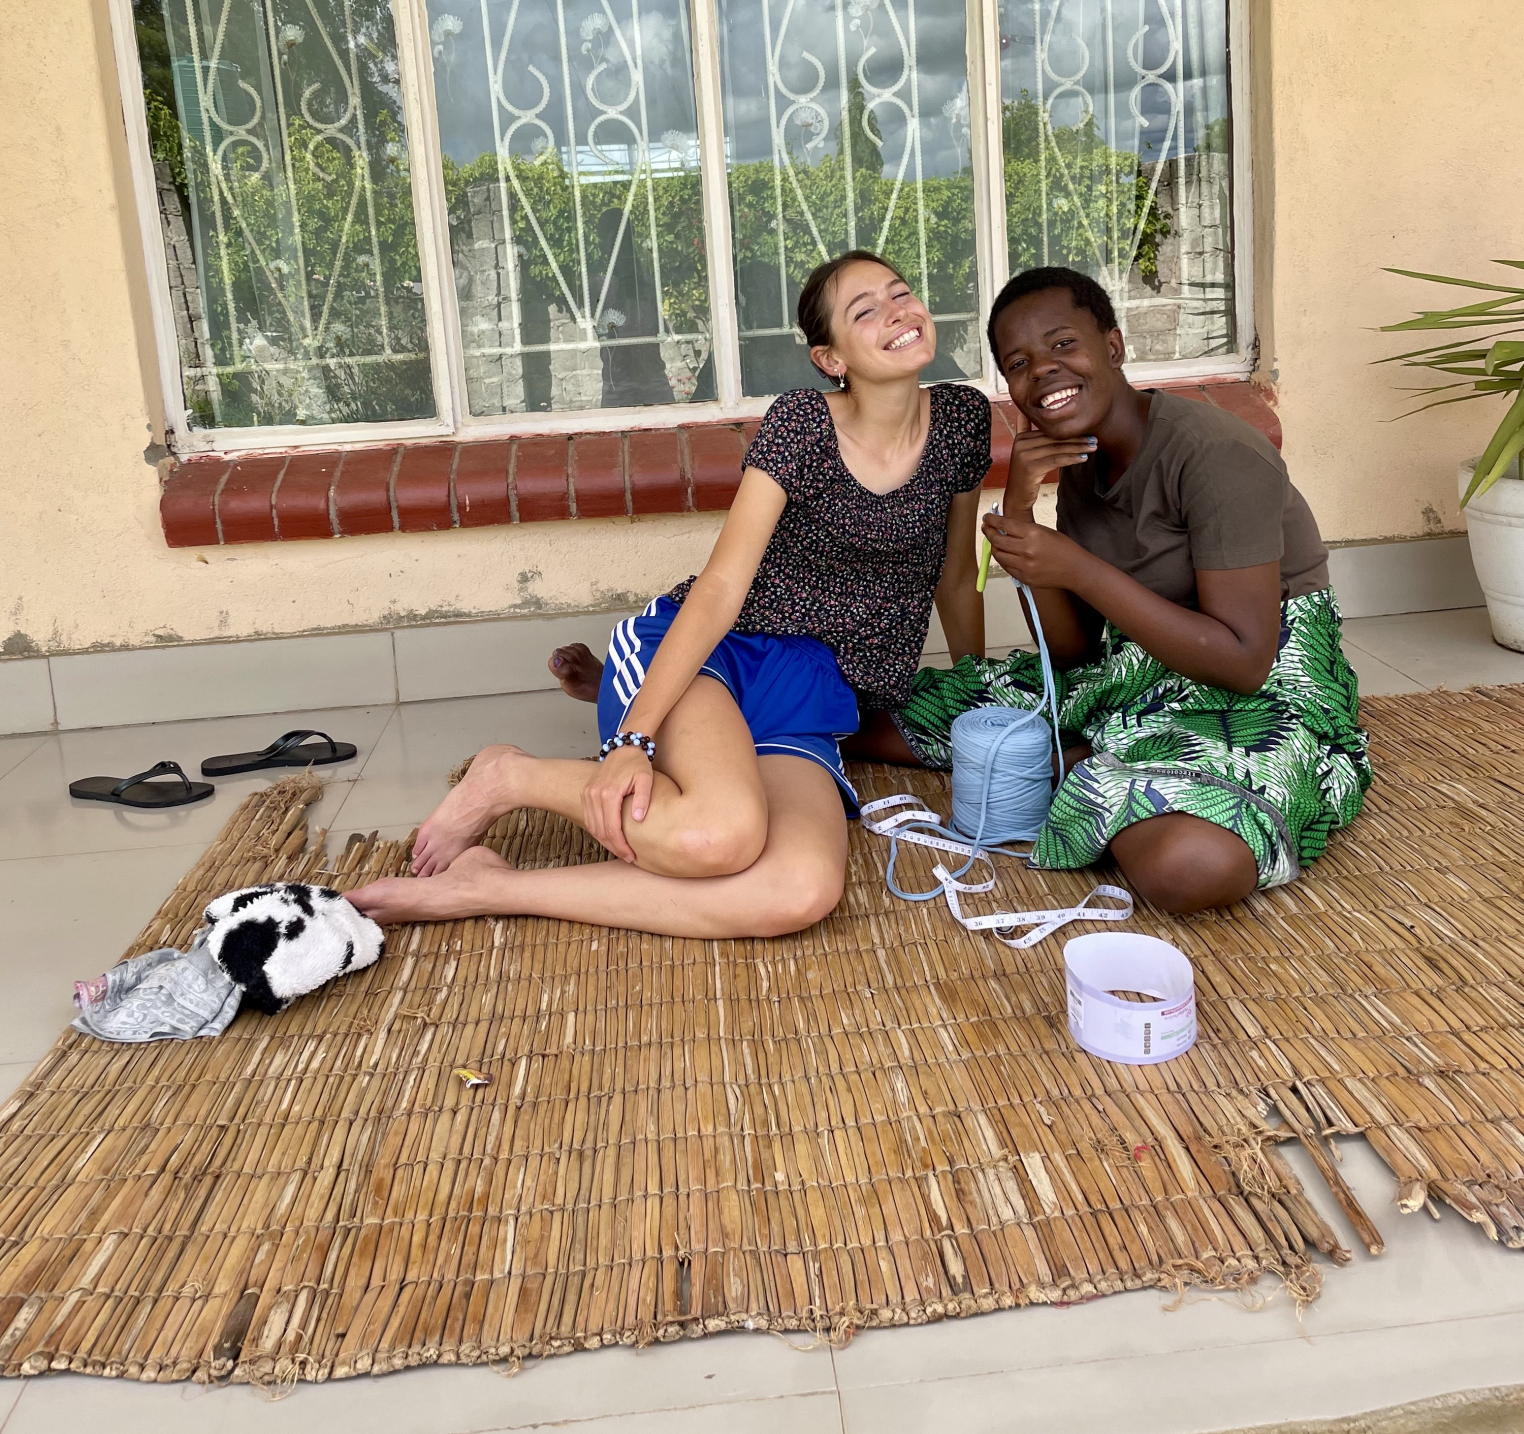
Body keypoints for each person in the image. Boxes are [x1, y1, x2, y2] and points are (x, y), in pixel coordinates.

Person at [346, 251, 995, 938]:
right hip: (716, 650)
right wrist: (634, 737)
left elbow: (955, 577)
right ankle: (509, 777)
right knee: (718, 836)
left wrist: (979, 698)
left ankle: (490, 887)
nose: (897, 311)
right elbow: (721, 586)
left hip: (811, 688)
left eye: (900, 292)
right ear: (830, 358)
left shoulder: (961, 420)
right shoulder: (803, 424)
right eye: (866, 310)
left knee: (799, 889)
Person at [877, 266, 1371, 915]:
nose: (1042, 370)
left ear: (1113, 346)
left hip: (1262, 680)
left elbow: (1245, 661)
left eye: (1063, 344)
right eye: (1018, 363)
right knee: (874, 716)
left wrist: (1079, 570)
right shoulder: (1084, 460)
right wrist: (1021, 510)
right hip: (1132, 670)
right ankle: (1099, 753)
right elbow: (1076, 654)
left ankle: (1090, 760)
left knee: (1190, 866)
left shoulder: (1217, 455)